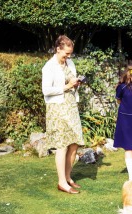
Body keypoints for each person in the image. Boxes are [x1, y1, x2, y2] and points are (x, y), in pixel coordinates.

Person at [42, 35, 85, 194]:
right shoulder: (49, 67)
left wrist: (76, 84)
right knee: (62, 145)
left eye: (70, 54)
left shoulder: (70, 63)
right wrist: (67, 86)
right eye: (65, 53)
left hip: (71, 106)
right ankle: (61, 183)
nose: (68, 56)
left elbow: (71, 81)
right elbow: (46, 90)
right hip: (57, 108)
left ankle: (68, 177)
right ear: (58, 49)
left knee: (74, 143)